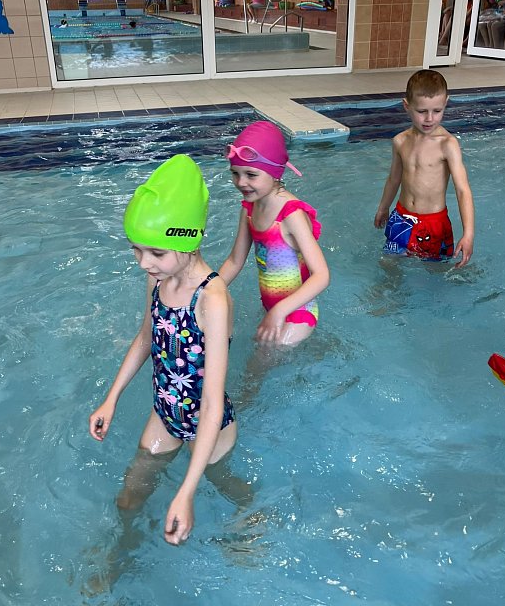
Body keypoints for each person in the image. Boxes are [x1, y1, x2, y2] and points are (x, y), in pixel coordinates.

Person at [88, 155, 237, 548]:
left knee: (223, 485)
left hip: (209, 423)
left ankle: (249, 526)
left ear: (189, 239)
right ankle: (119, 553)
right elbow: (144, 339)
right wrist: (111, 399)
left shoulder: (213, 300)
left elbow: (212, 402)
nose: (144, 263)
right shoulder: (158, 280)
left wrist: (186, 492)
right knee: (130, 496)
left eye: (155, 252)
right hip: (164, 411)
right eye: (137, 250)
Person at [219, 121, 330, 346]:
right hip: (273, 307)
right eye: (235, 173)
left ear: (275, 173)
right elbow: (234, 261)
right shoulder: (249, 209)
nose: (241, 182)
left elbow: (321, 275)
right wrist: (206, 291)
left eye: (251, 174)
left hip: (298, 310)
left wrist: (279, 311)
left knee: (261, 361)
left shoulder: (291, 215)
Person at [373, 69, 474, 268]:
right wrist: (383, 207)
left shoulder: (447, 144)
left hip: (434, 223)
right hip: (402, 217)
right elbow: (394, 179)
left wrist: (468, 234)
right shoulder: (400, 141)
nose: (429, 118)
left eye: (437, 111)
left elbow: (463, 190)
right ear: (407, 106)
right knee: (388, 264)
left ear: (445, 103)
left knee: (436, 270)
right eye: (422, 112)